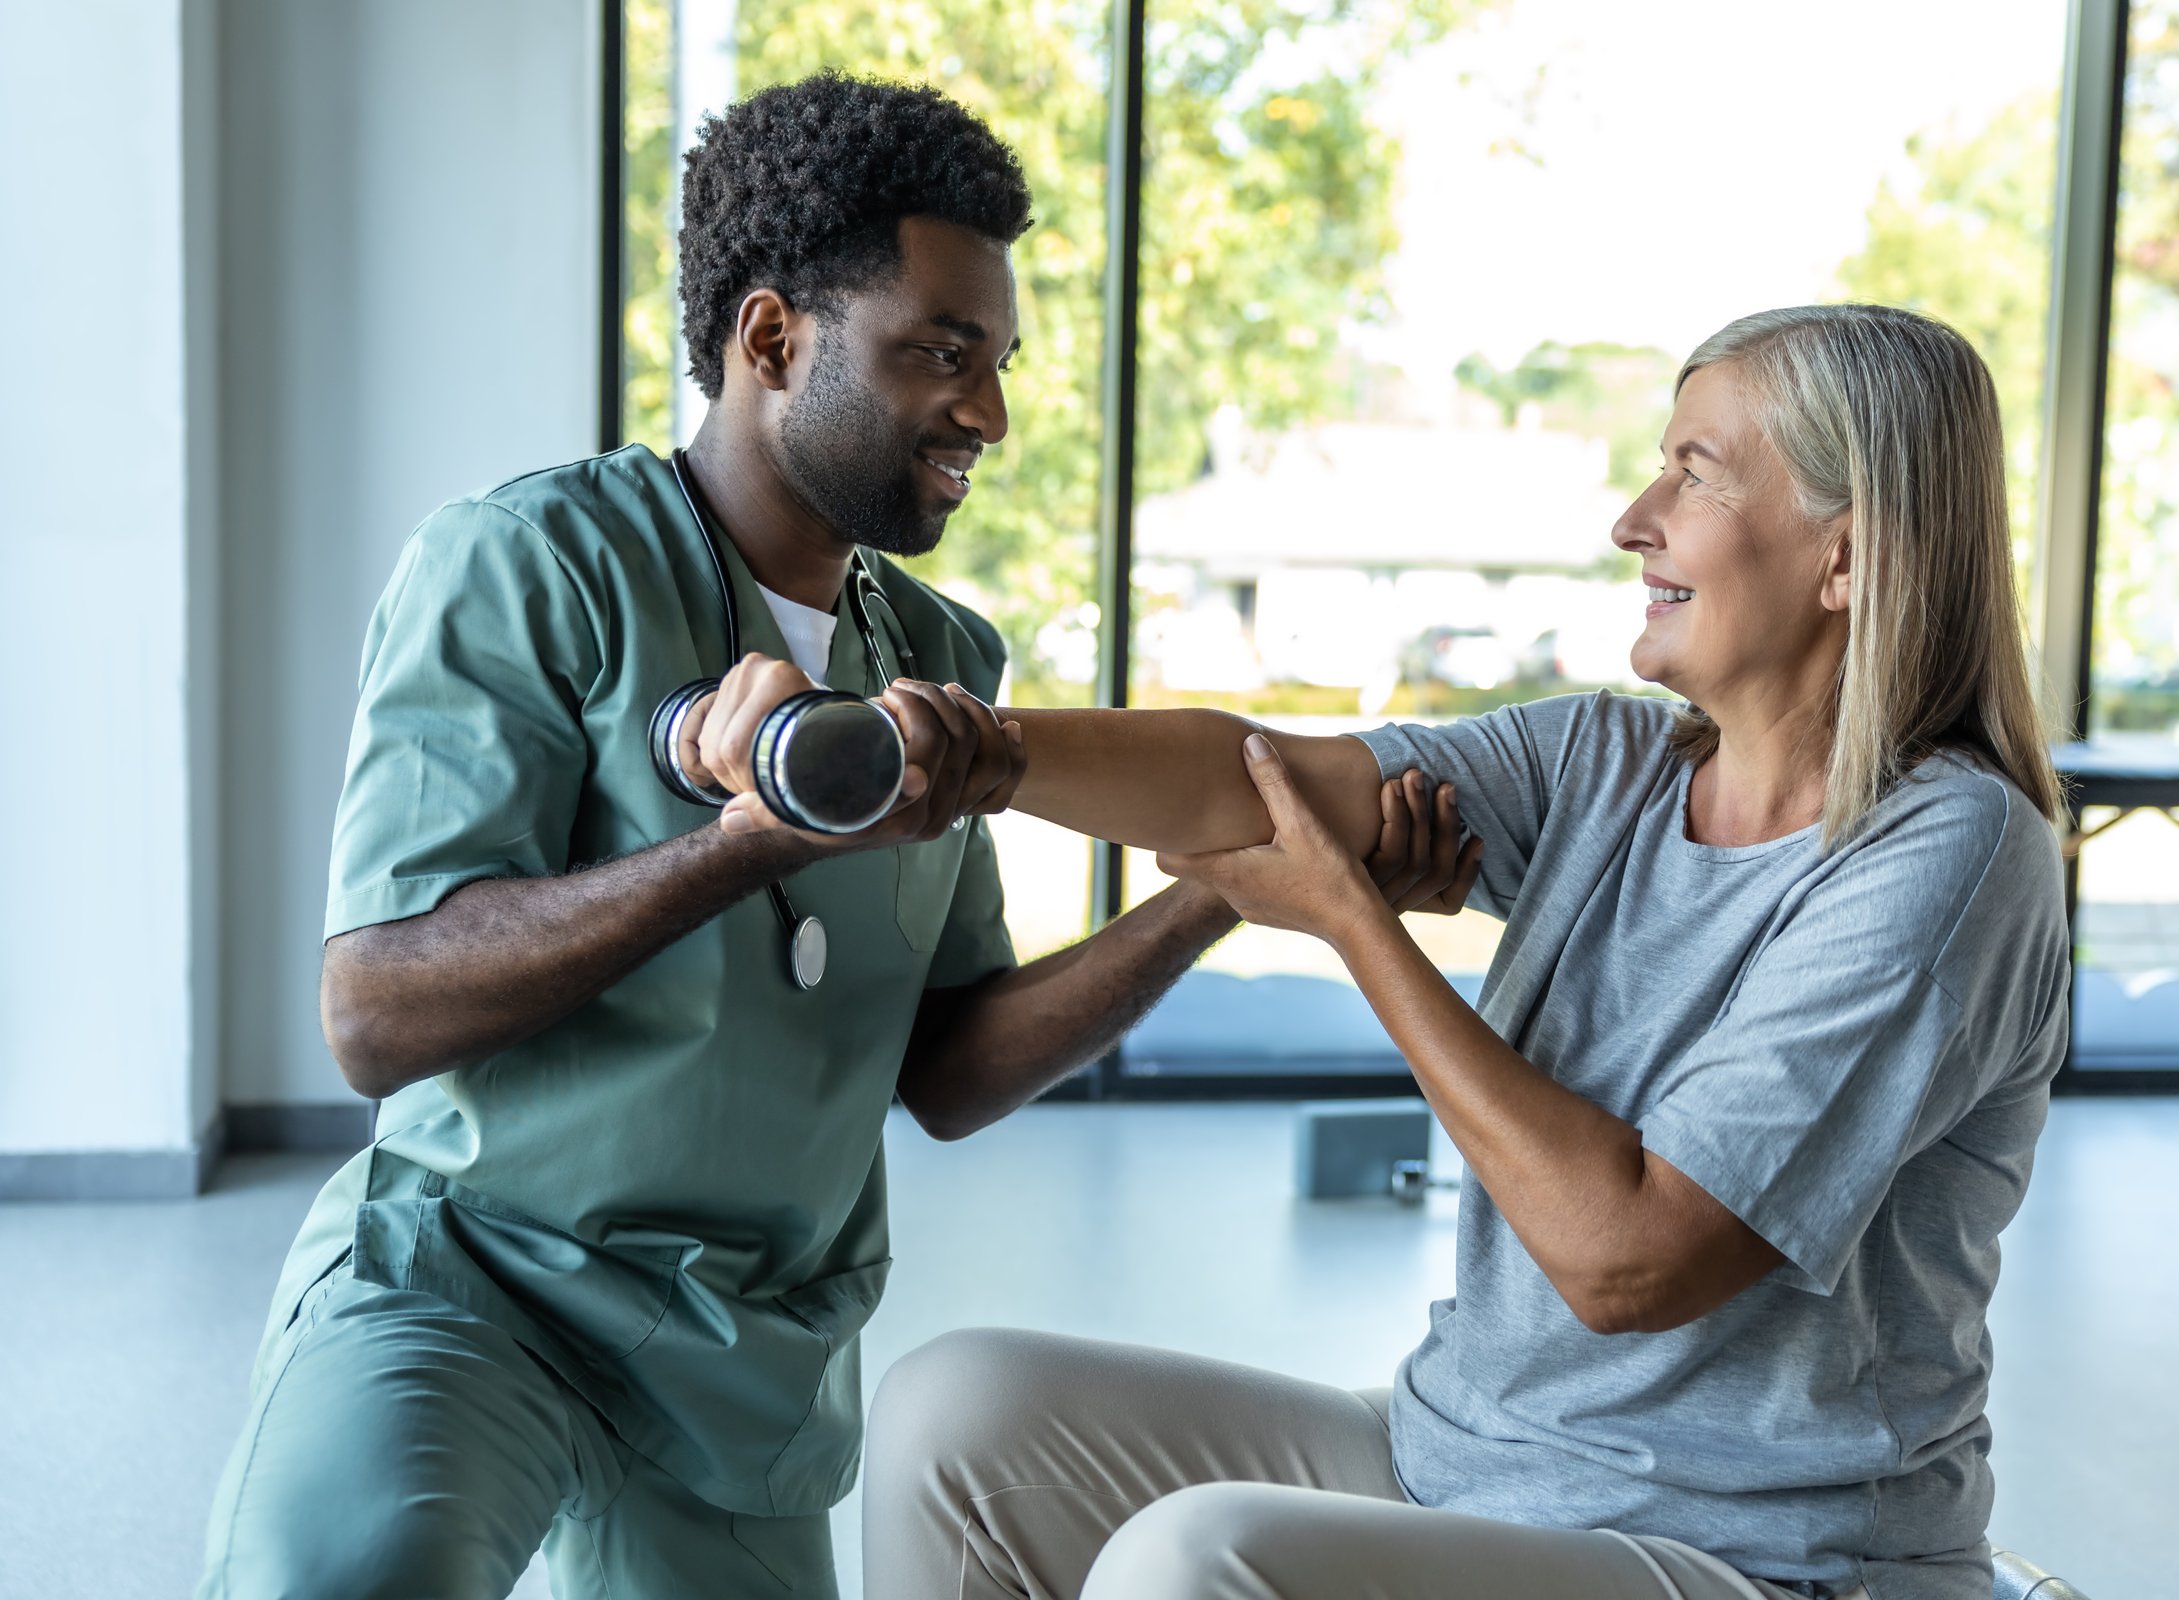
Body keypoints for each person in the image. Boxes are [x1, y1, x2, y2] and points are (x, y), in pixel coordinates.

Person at [194, 74, 1471, 1600]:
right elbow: (377, 1012)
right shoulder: (535, 564)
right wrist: (747, 845)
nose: (988, 413)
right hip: (477, 1284)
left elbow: (945, 1070)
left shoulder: (942, 657)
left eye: (995, 363)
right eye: (942, 353)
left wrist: (1216, 899)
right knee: (346, 1575)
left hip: (743, 1357)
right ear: (772, 339)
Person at [855, 305, 2072, 1600]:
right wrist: (968, 755)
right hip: (1467, 1459)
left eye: (1697, 473)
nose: (1634, 518)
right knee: (955, 1417)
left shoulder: (1947, 857)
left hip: (1762, 1559)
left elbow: (1633, 1257)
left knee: (1192, 1567)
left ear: (1848, 555)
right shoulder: (1610, 763)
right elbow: (1258, 779)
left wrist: (1354, 927)